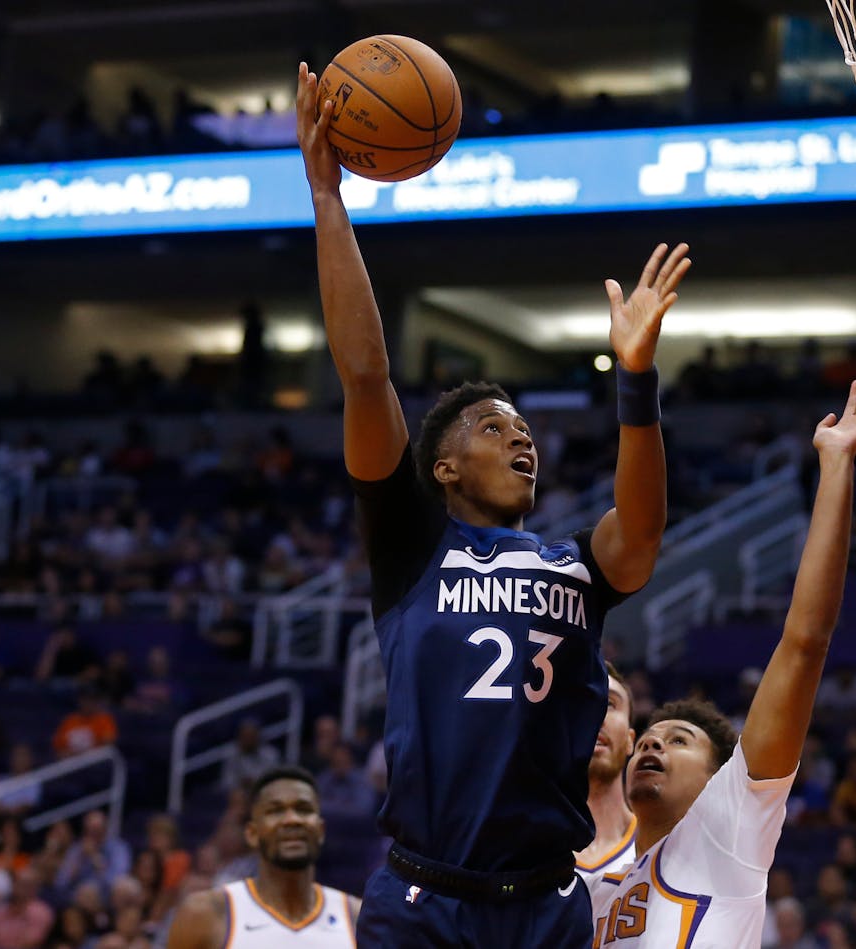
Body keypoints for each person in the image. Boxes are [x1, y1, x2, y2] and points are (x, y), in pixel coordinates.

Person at [294, 63, 687, 948]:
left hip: (548, 902)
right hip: (425, 899)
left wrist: (636, 381)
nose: (522, 439)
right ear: (441, 466)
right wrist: (327, 194)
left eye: (525, 429)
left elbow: (645, 524)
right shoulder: (411, 547)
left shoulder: (577, 567)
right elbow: (364, 373)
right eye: (492, 425)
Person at [586, 374, 856, 946]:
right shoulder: (597, 894)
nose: (651, 744)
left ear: (720, 779)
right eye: (651, 737)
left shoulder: (730, 826)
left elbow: (804, 642)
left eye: (678, 741)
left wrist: (837, 465)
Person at [168, 767, 361, 949]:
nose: (292, 819)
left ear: (320, 830)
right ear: (252, 834)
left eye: (303, 809)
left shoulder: (356, 917)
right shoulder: (205, 914)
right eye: (275, 811)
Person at [576, 663, 637, 887]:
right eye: (583, 702)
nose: (596, 715)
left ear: (631, 740)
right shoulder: (523, 846)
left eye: (610, 704)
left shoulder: (662, 846)